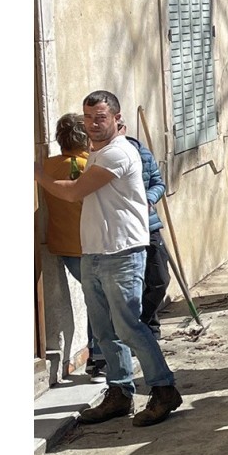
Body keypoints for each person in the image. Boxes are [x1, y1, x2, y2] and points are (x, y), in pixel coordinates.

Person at [36, 90, 183, 427]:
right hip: (96, 253)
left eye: (100, 118)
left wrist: (38, 174)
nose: (93, 125)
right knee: (105, 331)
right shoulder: (98, 154)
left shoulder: (118, 153)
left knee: (129, 327)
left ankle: (163, 389)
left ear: (117, 119)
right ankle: (119, 392)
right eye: (88, 118)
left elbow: (74, 193)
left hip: (122, 253)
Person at [39, 113, 101, 374]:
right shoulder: (89, 165)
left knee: (94, 300)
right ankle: (99, 357)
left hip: (63, 245)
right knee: (100, 303)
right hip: (89, 246)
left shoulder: (46, 166)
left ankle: (98, 354)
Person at [117, 118, 171, 337]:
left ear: (123, 128)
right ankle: (147, 329)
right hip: (124, 231)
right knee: (133, 284)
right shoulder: (104, 158)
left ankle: (146, 321)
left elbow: (159, 183)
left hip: (149, 226)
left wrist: (149, 198)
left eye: (119, 127)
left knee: (160, 279)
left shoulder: (142, 153)